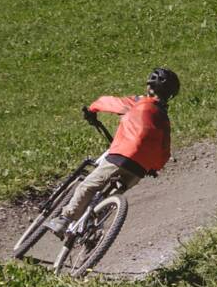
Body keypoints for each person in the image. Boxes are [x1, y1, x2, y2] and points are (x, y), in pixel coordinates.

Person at [47, 67, 179, 235]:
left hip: (122, 156)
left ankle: (64, 220)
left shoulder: (140, 102)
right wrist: (154, 167)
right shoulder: (164, 119)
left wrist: (92, 109)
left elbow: (110, 103)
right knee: (111, 197)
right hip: (139, 170)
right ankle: (93, 229)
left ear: (149, 87)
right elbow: (165, 150)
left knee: (88, 186)